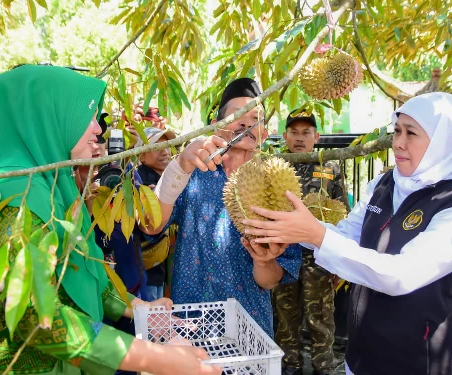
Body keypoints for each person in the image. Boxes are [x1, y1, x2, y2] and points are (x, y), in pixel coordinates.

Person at [0, 64, 221, 375]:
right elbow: (42, 319)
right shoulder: (12, 206)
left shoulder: (53, 190)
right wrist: (160, 359)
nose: (97, 129)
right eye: (85, 117)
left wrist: (137, 308)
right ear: (44, 121)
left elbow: (82, 269)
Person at [242, 92, 452, 375]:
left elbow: (401, 274)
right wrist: (290, 229)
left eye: (411, 133)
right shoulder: (384, 185)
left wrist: (314, 234)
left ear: (443, 143)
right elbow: (346, 235)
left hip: (421, 362)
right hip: (363, 355)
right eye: (397, 130)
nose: (398, 142)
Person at [142, 78, 302, 338]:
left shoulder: (278, 184)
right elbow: (152, 224)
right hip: (191, 324)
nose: (245, 123)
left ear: (265, 132)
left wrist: (264, 260)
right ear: (216, 126)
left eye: (255, 118)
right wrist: (179, 166)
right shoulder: (193, 173)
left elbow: (270, 280)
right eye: (237, 115)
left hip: (251, 328)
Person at [273, 109, 347, 375]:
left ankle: (323, 365)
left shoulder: (330, 167)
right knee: (285, 314)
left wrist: (338, 260)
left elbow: (342, 213)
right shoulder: (276, 166)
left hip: (319, 255)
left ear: (316, 136)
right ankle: (289, 364)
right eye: (294, 132)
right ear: (285, 136)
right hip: (283, 253)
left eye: (306, 132)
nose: (300, 138)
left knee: (320, 315)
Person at [136, 127, 177, 302]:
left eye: (166, 146)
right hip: (146, 270)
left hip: (159, 269)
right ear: (141, 156)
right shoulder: (140, 181)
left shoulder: (167, 179)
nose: (164, 152)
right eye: (155, 148)